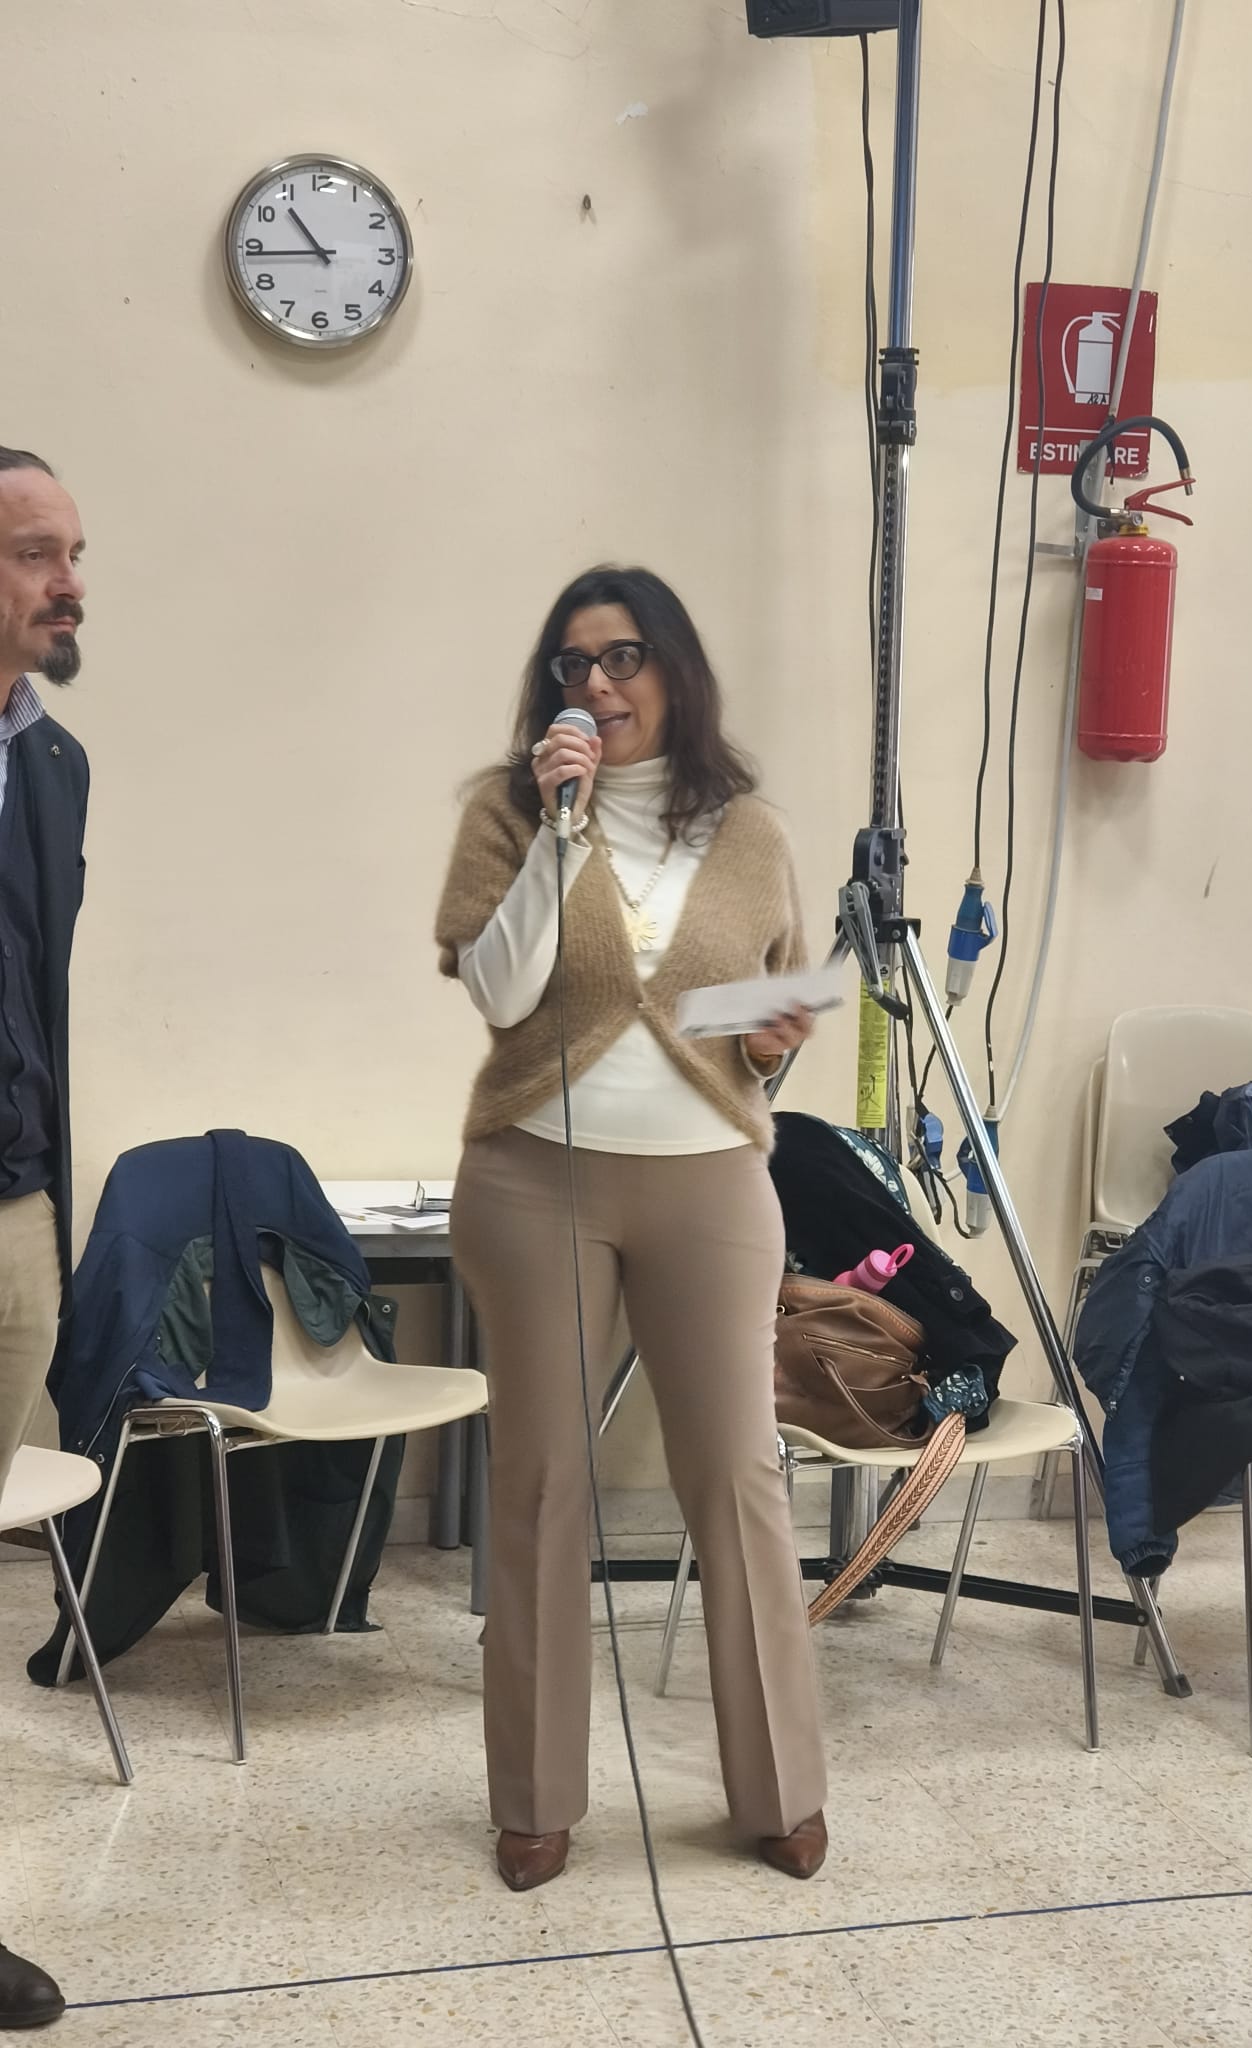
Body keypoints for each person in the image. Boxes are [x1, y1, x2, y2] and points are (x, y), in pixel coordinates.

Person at [436, 565, 828, 1893]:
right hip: (534, 1180)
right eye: (574, 665)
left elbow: (766, 1014)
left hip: (710, 1181)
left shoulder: (754, 832)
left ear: (673, 671)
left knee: (740, 1478)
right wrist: (562, 830)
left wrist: (774, 1044)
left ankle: (779, 1788)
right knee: (544, 1481)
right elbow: (503, 995)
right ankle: (536, 1798)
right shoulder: (510, 810)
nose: (598, 686)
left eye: (624, 658)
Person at [0, 446, 90, 2034]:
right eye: (33, 555)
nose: (70, 583)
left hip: (16, 1217)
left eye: (73, 554)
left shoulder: (54, 763)